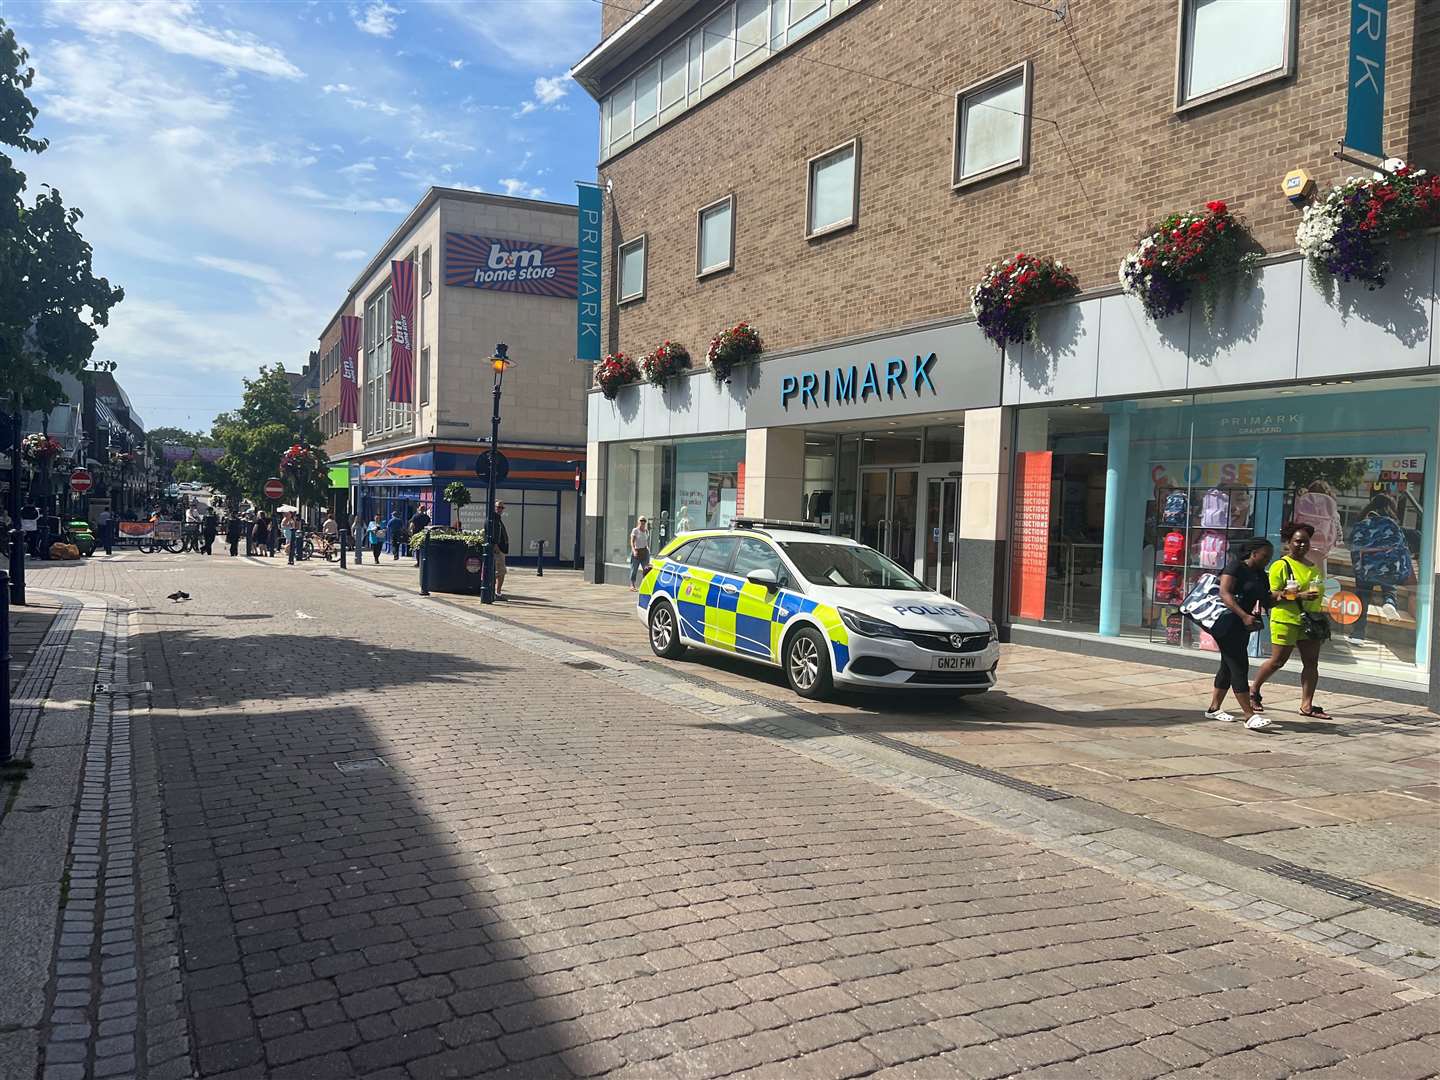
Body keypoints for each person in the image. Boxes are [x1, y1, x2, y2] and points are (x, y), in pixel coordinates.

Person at [1251, 523, 1330, 719]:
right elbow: (1272, 595)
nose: (1302, 545)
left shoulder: (1313, 567)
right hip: (1286, 619)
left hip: (1310, 621)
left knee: (1311, 662)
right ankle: (1253, 691)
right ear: (1289, 543)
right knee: (1278, 661)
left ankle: (1307, 704)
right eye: (1298, 541)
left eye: (1306, 542)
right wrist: (1299, 596)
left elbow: (1318, 590)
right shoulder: (1281, 565)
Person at [1202, 537, 1276, 731]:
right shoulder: (1235, 567)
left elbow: (1266, 600)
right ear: (1253, 553)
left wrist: (1287, 595)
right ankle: (1249, 715)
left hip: (1243, 626)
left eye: (1270, 556)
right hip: (1226, 623)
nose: (1268, 559)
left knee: (1227, 666)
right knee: (1239, 666)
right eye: (1265, 555)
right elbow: (1224, 593)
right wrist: (1244, 615)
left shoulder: (1260, 574)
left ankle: (1213, 708)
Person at [1346, 493, 1416, 647]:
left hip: (1364, 567)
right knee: (1389, 584)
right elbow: (1402, 547)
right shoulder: (1392, 524)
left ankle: (1358, 634)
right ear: (1389, 508)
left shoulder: (1362, 523)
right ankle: (1389, 602)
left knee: (1362, 597)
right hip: (1387, 567)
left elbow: (1350, 544)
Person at [629, 515, 651, 591]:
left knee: (646, 569)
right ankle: (632, 585)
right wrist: (634, 550)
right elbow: (632, 542)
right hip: (637, 551)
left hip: (644, 552)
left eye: (644, 521)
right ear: (639, 522)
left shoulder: (646, 531)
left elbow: (647, 541)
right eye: (641, 521)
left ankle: (645, 585)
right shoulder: (635, 530)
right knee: (634, 569)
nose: (643, 522)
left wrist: (648, 549)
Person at [492, 501, 509, 597]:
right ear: (494, 507)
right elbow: (492, 533)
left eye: (502, 508)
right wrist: (495, 546)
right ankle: (497, 593)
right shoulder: (494, 519)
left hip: (501, 550)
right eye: (498, 507)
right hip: (497, 550)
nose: (500, 509)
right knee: (500, 572)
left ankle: (496, 592)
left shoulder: (498, 519)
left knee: (499, 572)